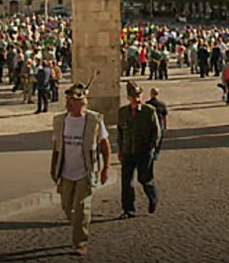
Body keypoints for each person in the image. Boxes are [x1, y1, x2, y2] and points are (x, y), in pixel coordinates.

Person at [50, 83, 111, 256]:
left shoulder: (94, 120)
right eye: (67, 100)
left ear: (82, 103)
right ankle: (77, 225)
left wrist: (106, 168)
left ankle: (80, 242)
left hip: (86, 171)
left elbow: (105, 145)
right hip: (65, 171)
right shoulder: (60, 121)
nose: (68, 104)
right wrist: (52, 167)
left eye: (72, 101)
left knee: (82, 207)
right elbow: (56, 146)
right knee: (67, 206)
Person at [117, 81, 160, 218]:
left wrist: (152, 146)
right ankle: (128, 209)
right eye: (133, 97)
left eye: (138, 96)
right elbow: (120, 133)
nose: (136, 99)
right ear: (129, 98)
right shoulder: (122, 112)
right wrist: (120, 150)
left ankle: (152, 197)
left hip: (144, 151)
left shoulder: (149, 111)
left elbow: (157, 131)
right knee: (126, 182)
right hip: (128, 150)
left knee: (144, 179)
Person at [145, 88, 168, 161]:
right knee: (159, 140)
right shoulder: (162, 104)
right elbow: (164, 117)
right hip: (160, 124)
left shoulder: (147, 104)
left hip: (149, 125)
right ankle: (156, 153)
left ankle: (151, 152)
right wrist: (165, 126)